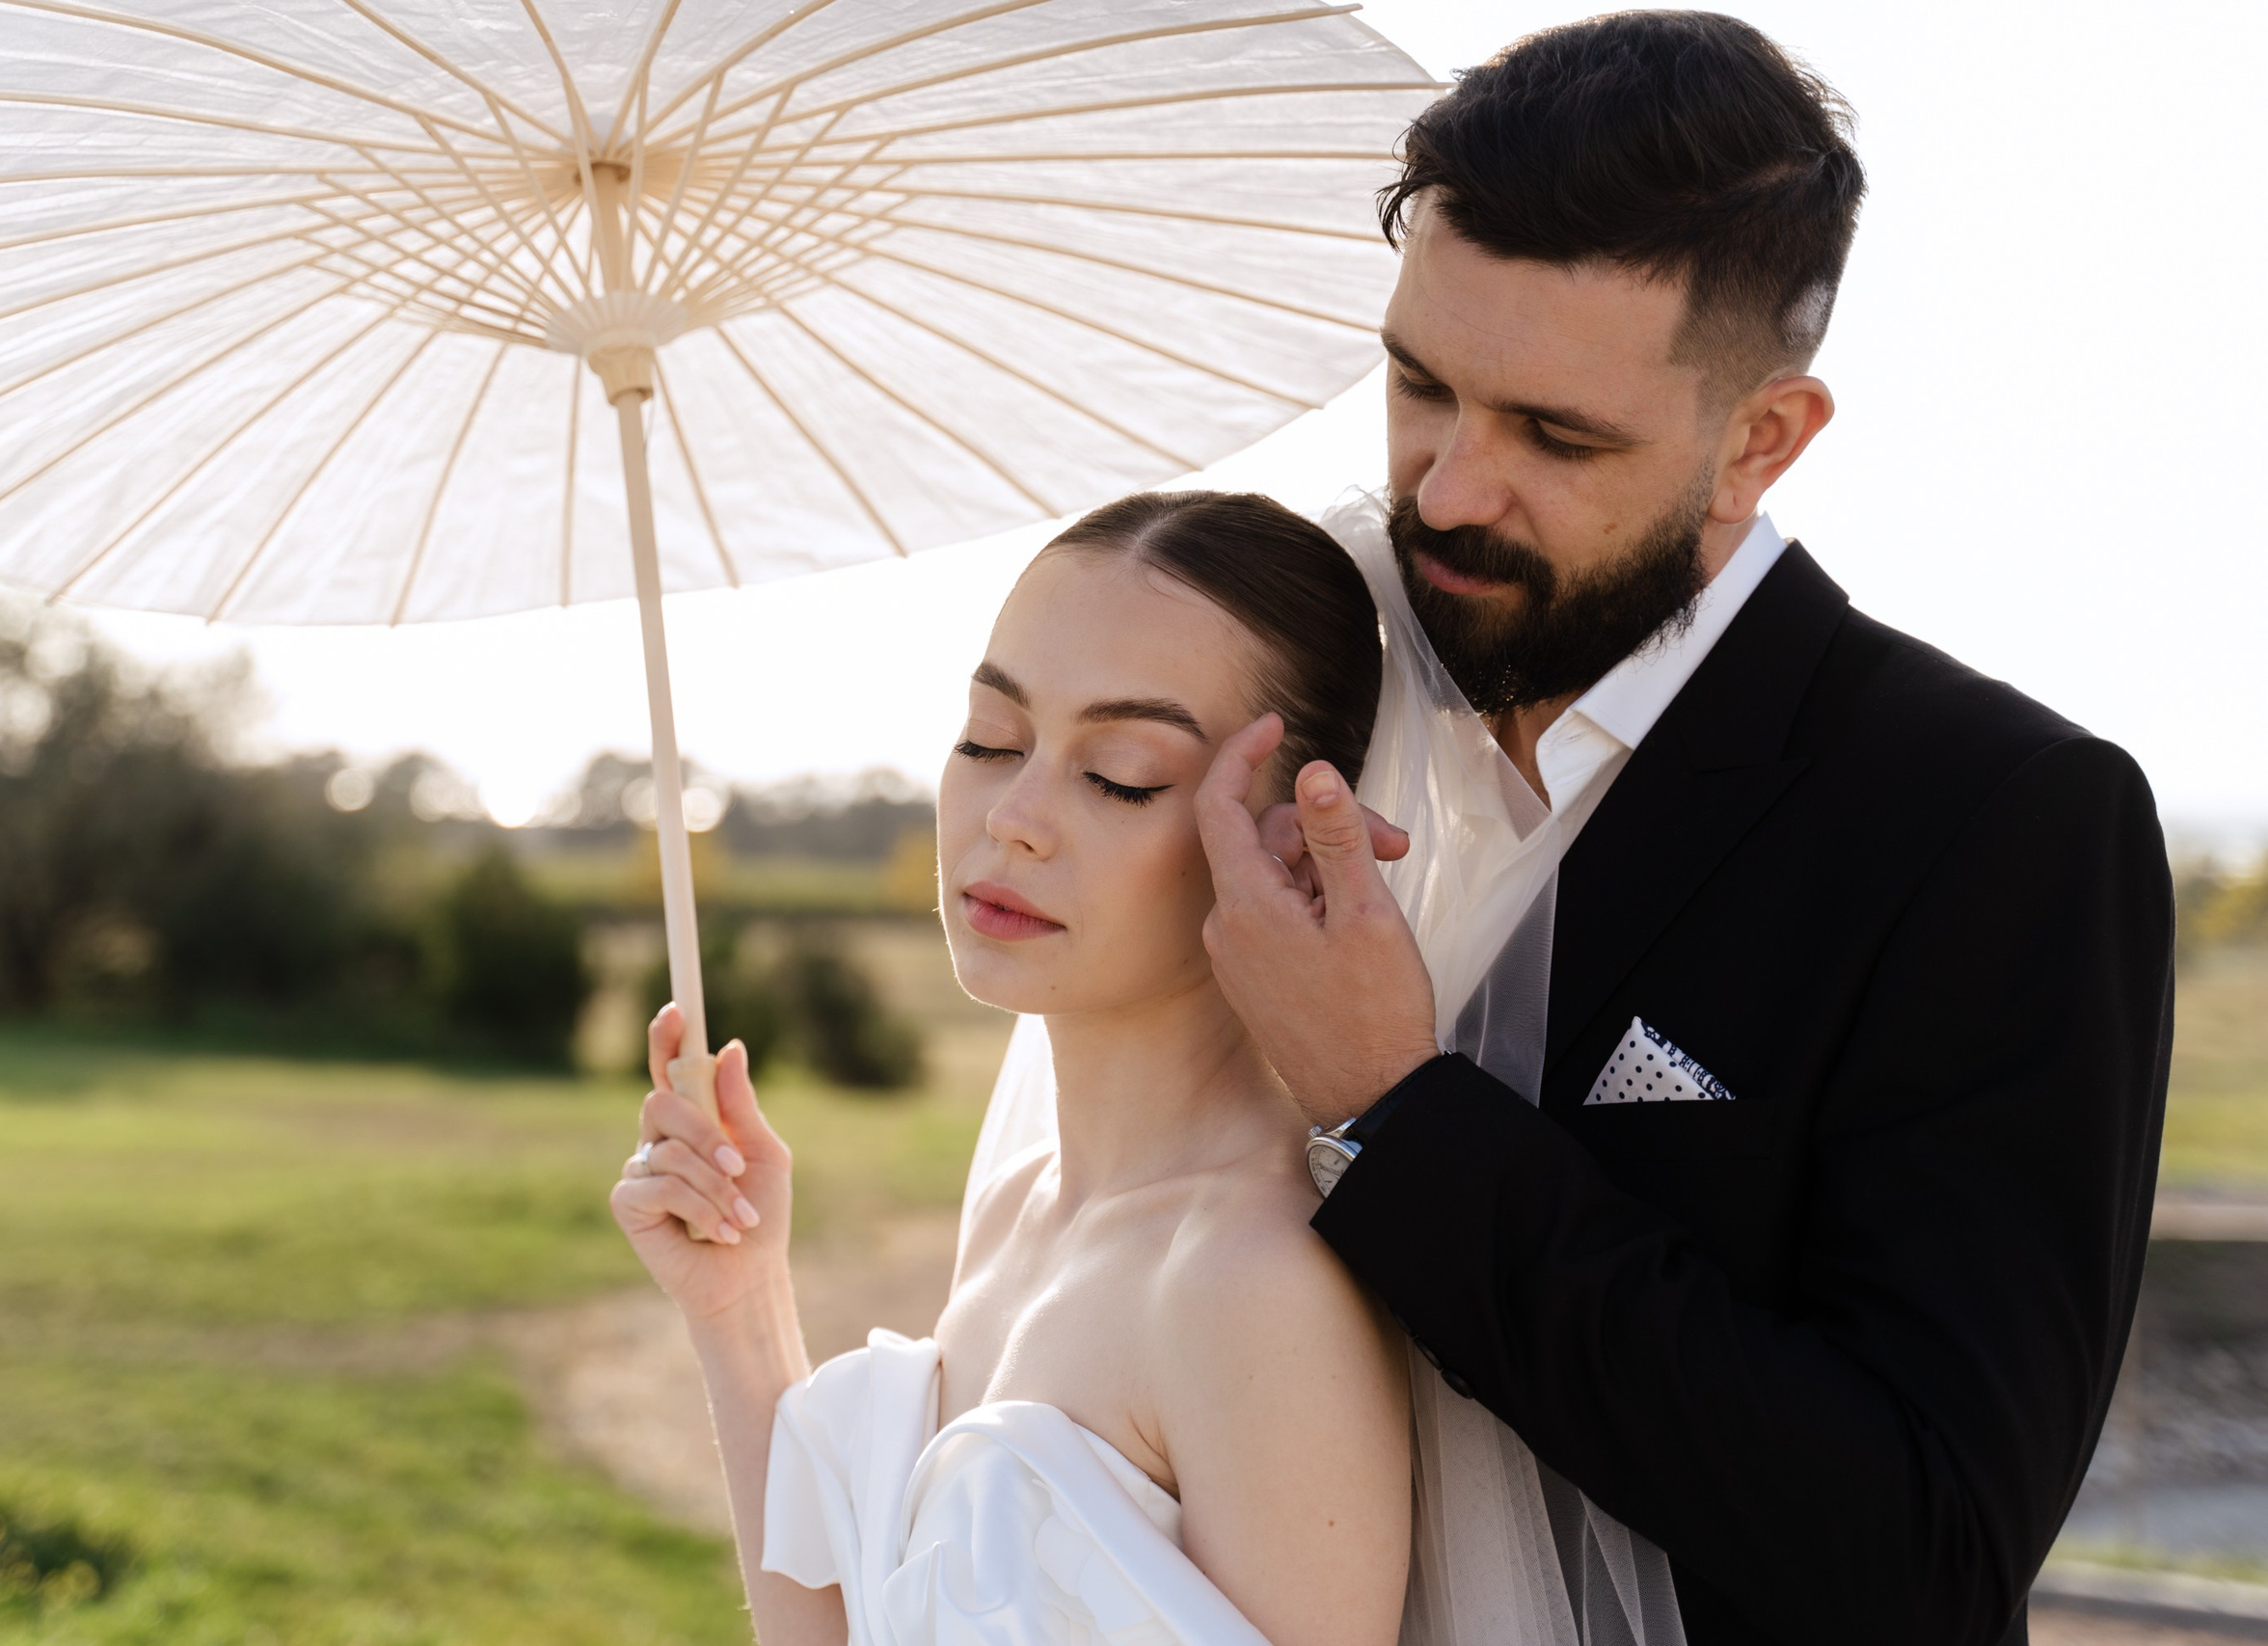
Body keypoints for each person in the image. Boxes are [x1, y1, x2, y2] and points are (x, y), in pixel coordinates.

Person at [1195, 13, 2175, 1646]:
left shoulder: (2000, 820)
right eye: (1420, 384)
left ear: (1761, 440)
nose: (1446, 489)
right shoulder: (1305, 702)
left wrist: (1394, 1109)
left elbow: (1926, 1548)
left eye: (1555, 434)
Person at [611, 492, 1414, 1645]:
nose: (1013, 816)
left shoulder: (1254, 1284)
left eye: (1121, 773)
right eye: (990, 740)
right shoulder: (1015, 1206)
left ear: (1293, 837)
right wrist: (738, 1306)